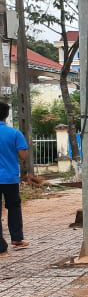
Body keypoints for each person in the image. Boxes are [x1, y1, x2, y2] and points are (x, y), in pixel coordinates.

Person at [0, 101, 29, 258]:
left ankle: (0, 247)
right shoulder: (14, 133)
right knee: (14, 208)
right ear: (6, 115)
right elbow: (23, 155)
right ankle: (17, 240)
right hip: (10, 178)